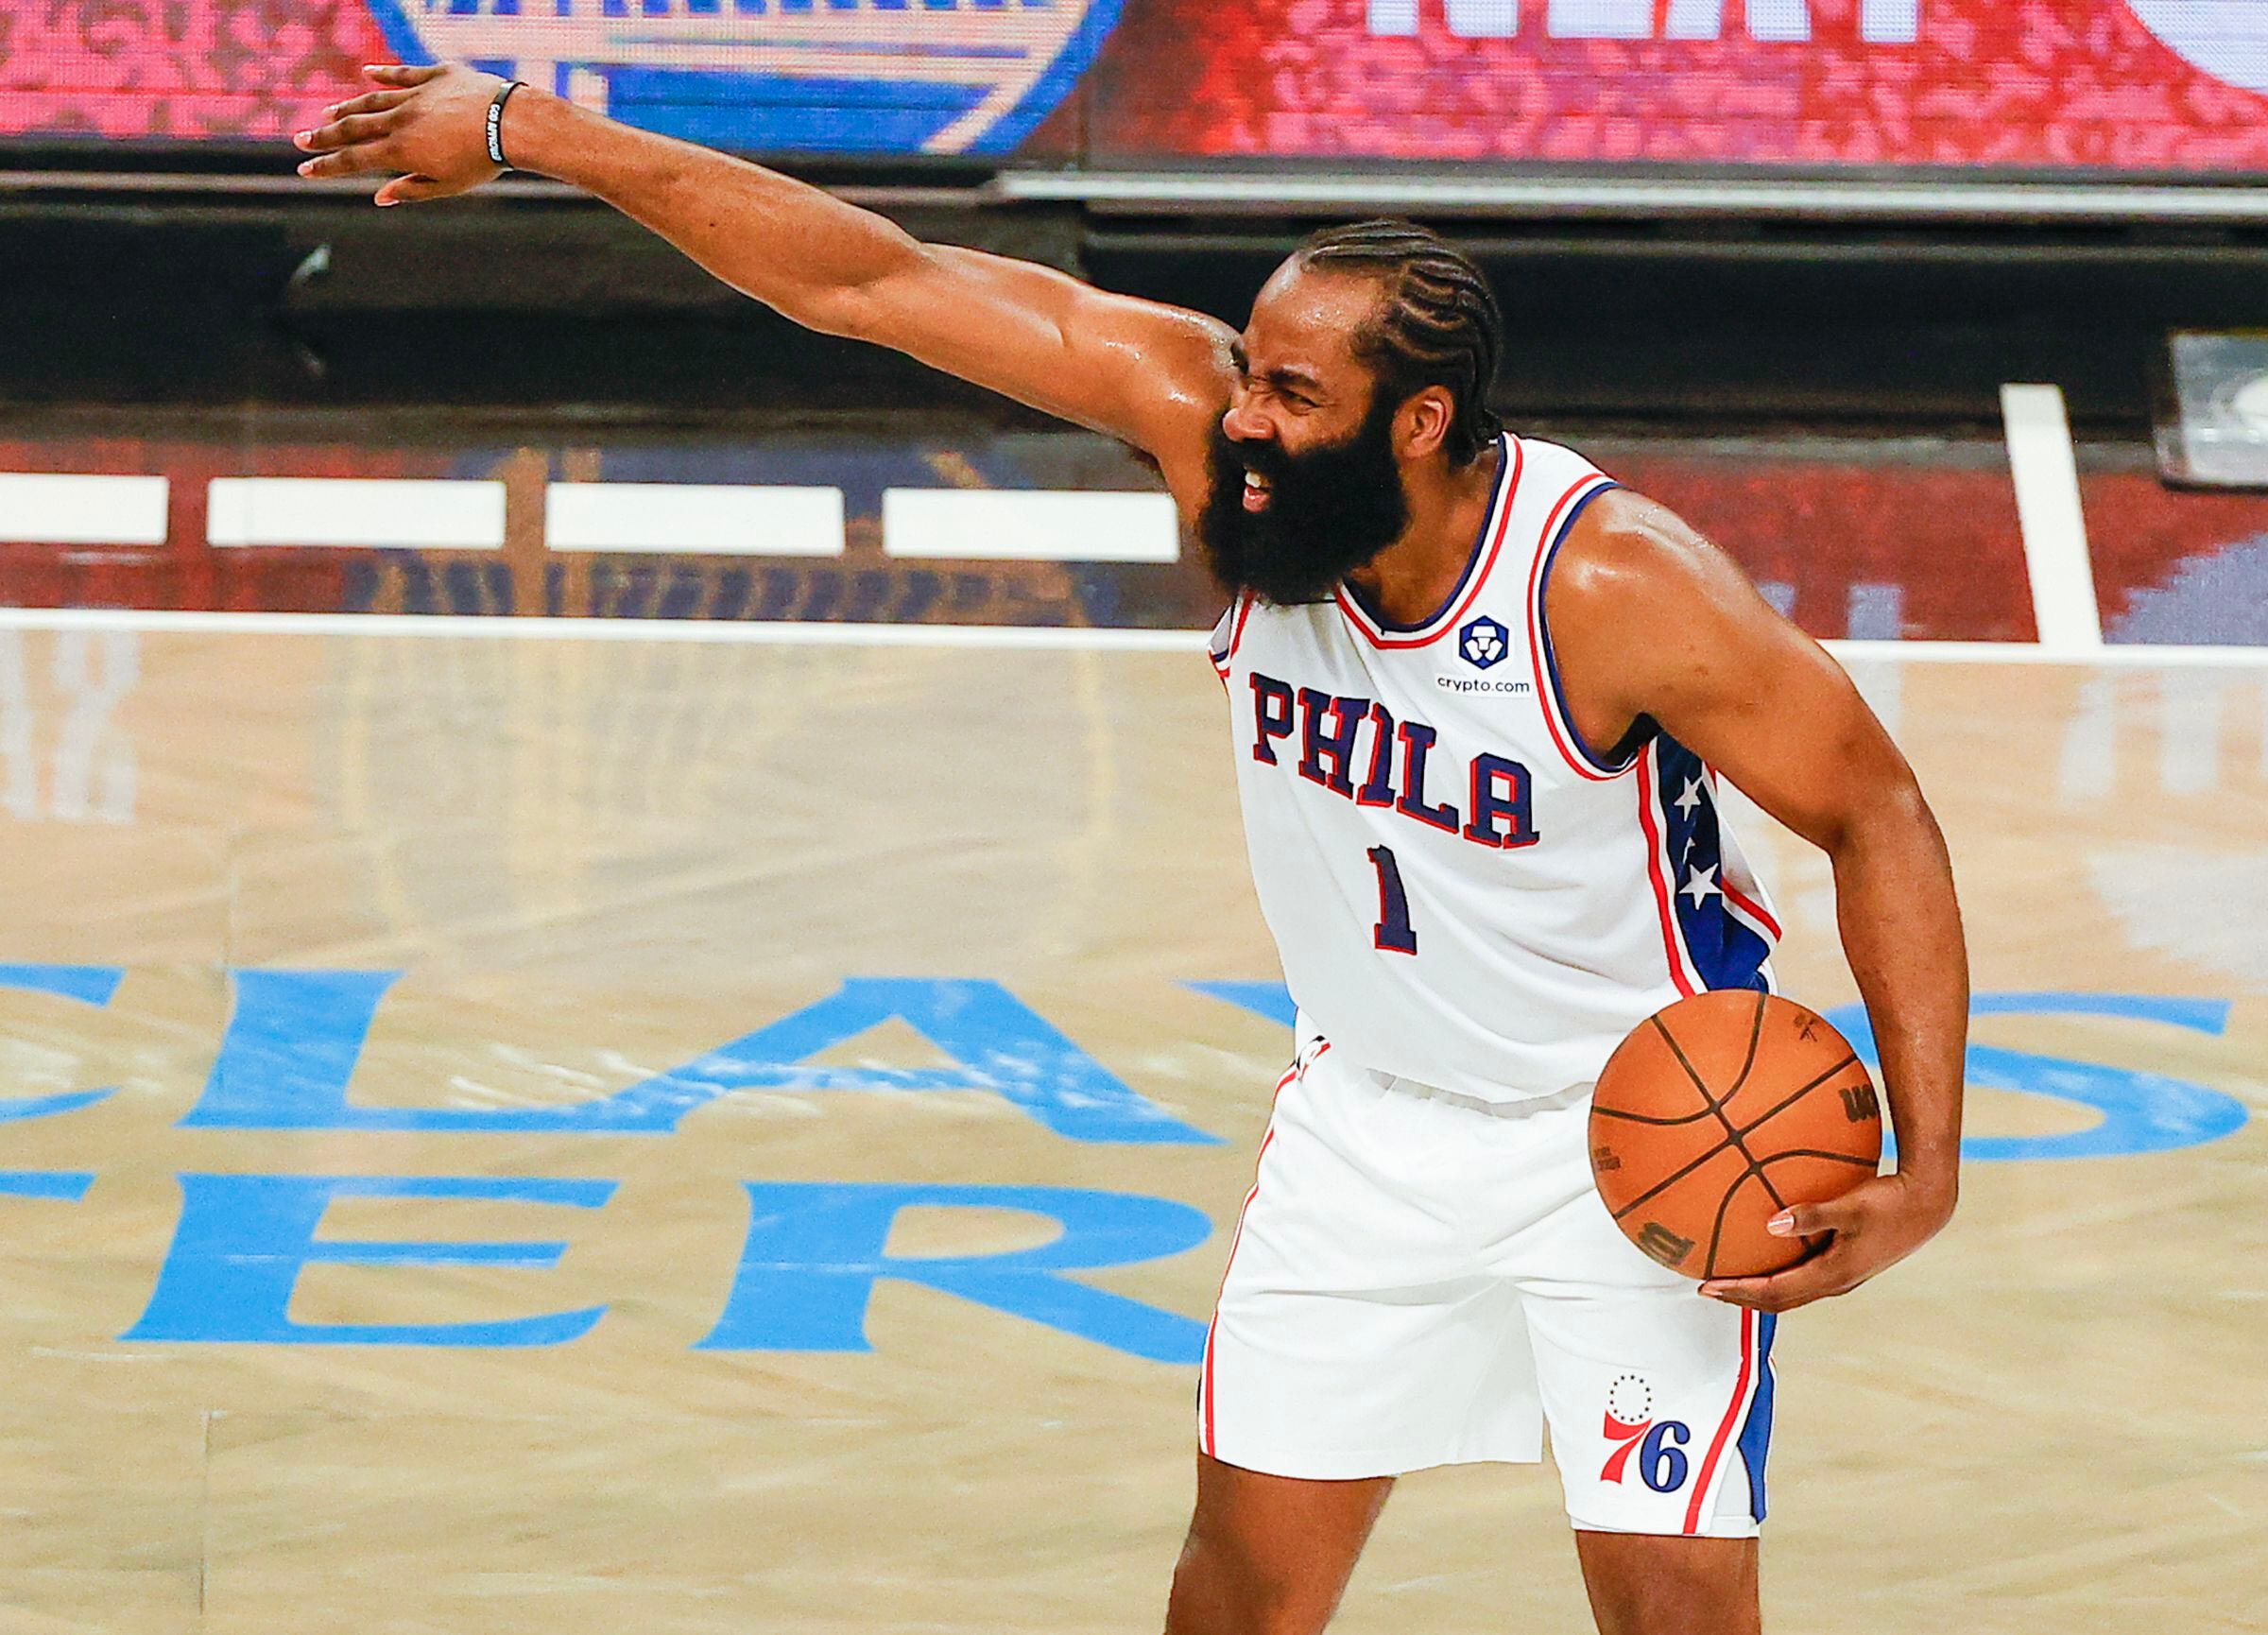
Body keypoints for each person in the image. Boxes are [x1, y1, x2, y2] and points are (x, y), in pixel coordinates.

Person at [292, 65, 1967, 1635]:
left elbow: (1876, 812)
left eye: (1294, 393)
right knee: (1235, 1593)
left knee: (1676, 1609)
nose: (1243, 419)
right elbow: (868, 281)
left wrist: (1928, 1167)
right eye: (1248, 371)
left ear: (1418, 422)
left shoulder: (1613, 591)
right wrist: (535, 132)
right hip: (1367, 1124)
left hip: (1638, 1132)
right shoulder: (1219, 452)